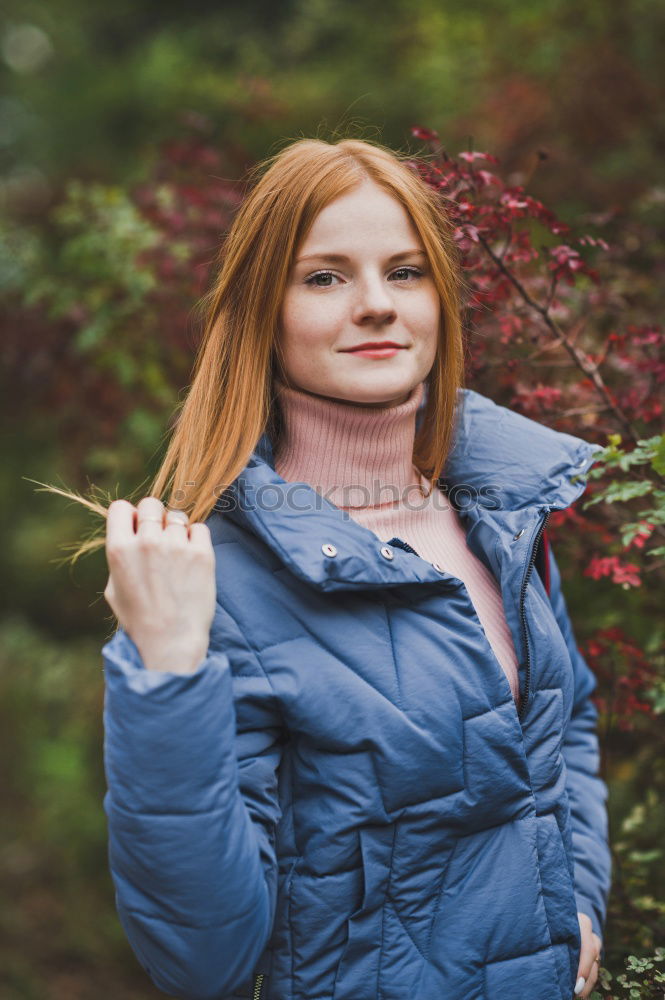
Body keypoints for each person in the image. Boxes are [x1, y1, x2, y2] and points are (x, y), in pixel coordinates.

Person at [99, 137, 611, 1000]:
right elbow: (204, 961)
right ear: (263, 310)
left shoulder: (498, 511)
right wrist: (167, 672)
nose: (376, 304)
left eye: (405, 272)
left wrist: (582, 903)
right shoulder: (213, 583)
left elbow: (568, 727)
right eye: (324, 277)